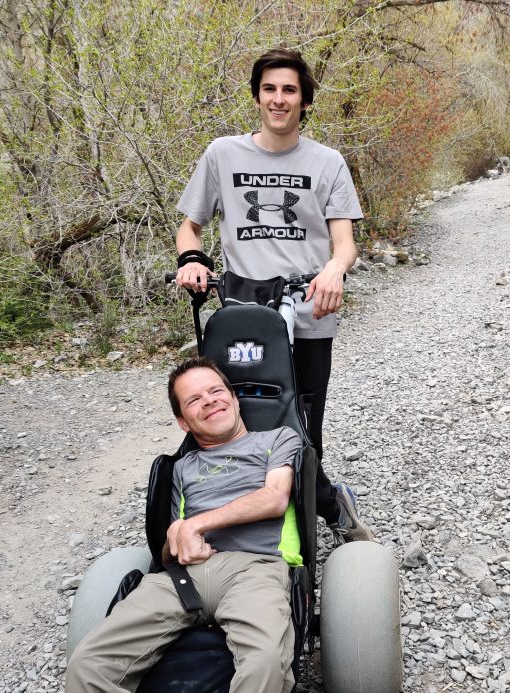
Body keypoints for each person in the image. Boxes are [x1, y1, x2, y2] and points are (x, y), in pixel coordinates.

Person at [173, 46, 373, 543]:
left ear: (305, 100)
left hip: (309, 311)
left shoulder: (328, 163)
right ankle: (230, 513)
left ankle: (314, 515)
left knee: (303, 423)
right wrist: (191, 260)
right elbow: (189, 227)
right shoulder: (222, 154)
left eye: (289, 90)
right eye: (269, 89)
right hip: (242, 314)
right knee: (232, 418)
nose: (278, 100)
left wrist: (333, 271)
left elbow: (344, 243)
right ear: (257, 96)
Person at [66, 357, 302, 693]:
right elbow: (168, 544)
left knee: (265, 660)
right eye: (194, 400)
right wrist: (176, 539)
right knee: (88, 665)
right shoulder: (180, 468)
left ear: (234, 398)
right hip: (182, 578)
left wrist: (196, 524)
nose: (209, 402)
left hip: (255, 567)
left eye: (216, 391)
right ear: (182, 422)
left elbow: (274, 498)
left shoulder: (278, 439)